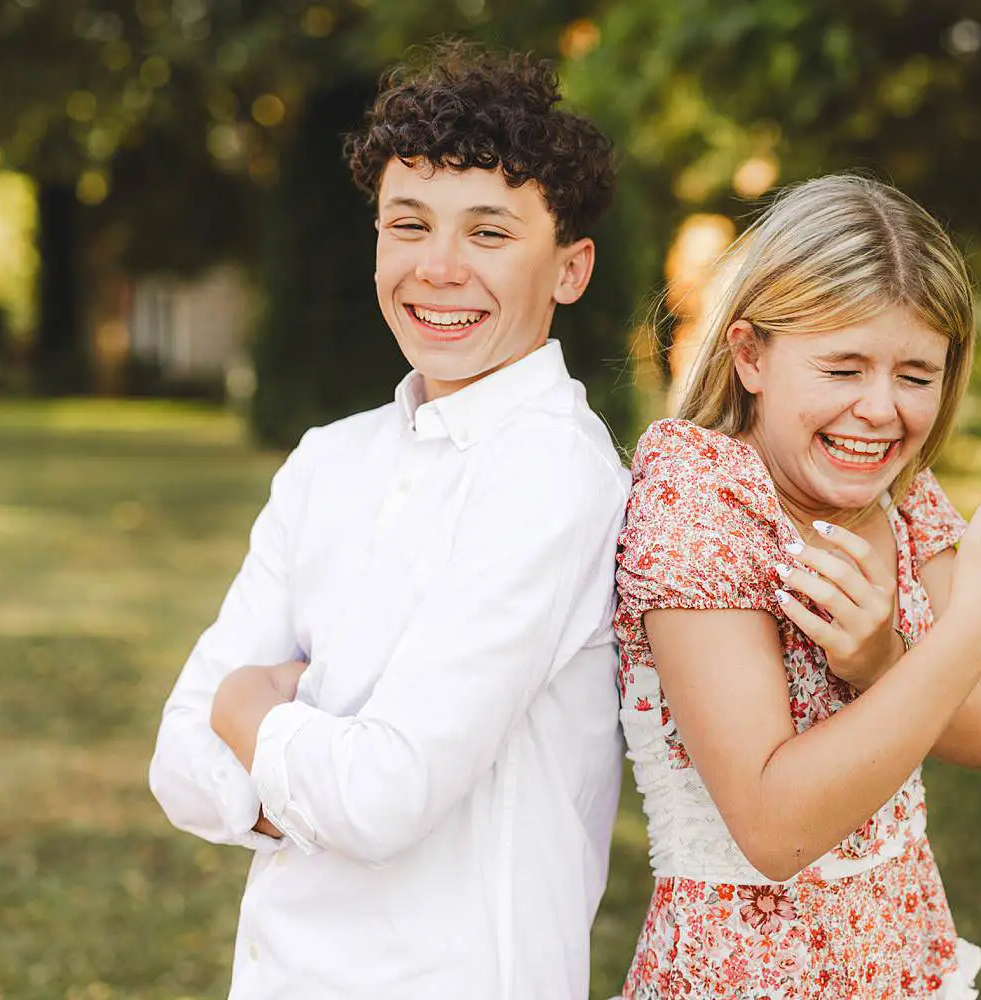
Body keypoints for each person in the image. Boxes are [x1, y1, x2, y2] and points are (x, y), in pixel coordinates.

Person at [148, 43, 627, 1000]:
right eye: (408, 224)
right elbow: (176, 763)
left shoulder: (554, 475)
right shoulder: (331, 457)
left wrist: (252, 712)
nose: (437, 268)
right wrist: (303, 764)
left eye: (488, 234)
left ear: (570, 269)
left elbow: (380, 798)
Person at [613, 174, 981, 998]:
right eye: (843, 367)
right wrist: (978, 620)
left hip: (903, 959)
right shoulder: (699, 498)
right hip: (744, 972)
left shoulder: (903, 495)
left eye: (916, 376)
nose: (880, 410)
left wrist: (884, 659)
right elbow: (775, 827)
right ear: (750, 355)